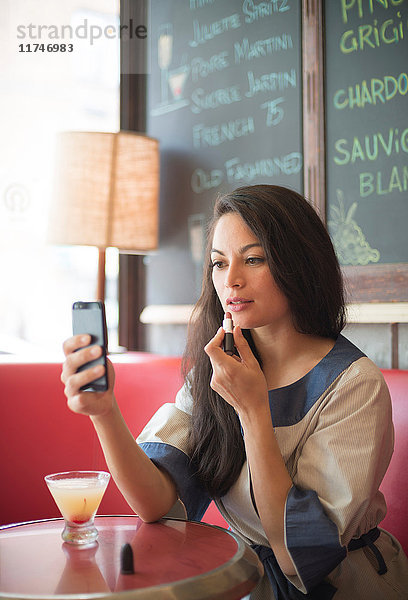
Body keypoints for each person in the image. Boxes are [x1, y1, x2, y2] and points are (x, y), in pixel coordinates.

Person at [62, 185, 408, 599]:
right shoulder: (223, 365)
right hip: (242, 576)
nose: (232, 281)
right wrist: (104, 411)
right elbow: (157, 503)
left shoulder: (353, 384)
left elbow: (301, 554)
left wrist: (253, 411)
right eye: (218, 263)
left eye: (254, 259)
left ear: (299, 263)